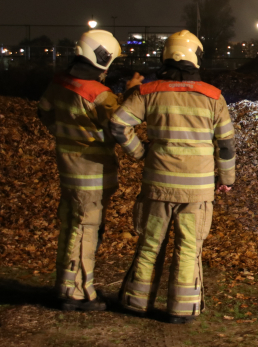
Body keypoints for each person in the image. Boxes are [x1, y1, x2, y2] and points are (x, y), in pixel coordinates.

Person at [109, 30, 235, 324]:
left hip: (158, 185)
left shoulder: (148, 92)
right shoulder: (213, 97)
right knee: (189, 247)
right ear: (195, 57)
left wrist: (140, 153)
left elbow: (118, 125)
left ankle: (136, 302)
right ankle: (182, 309)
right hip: (197, 191)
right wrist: (226, 178)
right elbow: (226, 144)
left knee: (150, 243)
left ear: (166, 56)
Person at [37, 30, 143, 311]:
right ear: (102, 59)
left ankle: (64, 284)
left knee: (71, 227)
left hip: (68, 169)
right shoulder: (100, 94)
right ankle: (80, 292)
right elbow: (119, 126)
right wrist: (140, 154)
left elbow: (45, 110)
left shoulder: (59, 83)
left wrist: (65, 135)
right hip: (93, 174)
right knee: (87, 231)